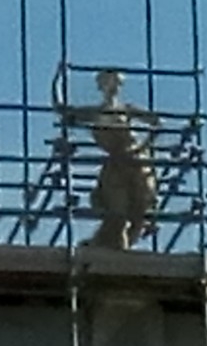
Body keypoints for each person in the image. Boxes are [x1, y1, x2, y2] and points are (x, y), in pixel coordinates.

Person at [51, 66, 158, 250]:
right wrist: (57, 80)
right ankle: (116, 247)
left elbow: (157, 122)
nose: (113, 86)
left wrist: (143, 146)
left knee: (141, 208)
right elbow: (62, 110)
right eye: (108, 82)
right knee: (117, 212)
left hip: (136, 161)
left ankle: (123, 247)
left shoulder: (127, 109)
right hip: (116, 163)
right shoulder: (95, 112)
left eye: (116, 82)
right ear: (101, 86)